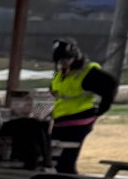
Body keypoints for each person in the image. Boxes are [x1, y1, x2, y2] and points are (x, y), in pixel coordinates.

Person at [49, 38, 118, 170]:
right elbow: (54, 91)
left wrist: (101, 109)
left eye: (66, 60)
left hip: (79, 121)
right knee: (53, 160)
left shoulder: (88, 73)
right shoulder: (59, 72)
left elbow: (110, 85)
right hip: (60, 120)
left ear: (75, 58)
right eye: (59, 61)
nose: (62, 63)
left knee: (65, 162)